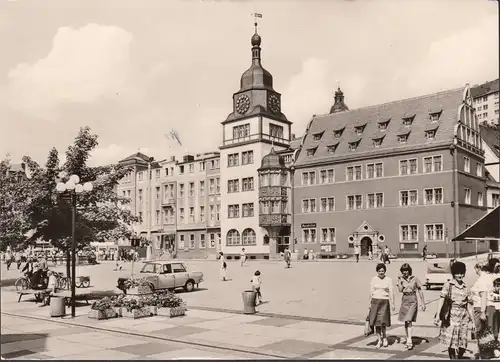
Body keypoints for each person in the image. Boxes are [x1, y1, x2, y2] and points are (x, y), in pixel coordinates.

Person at [434, 261, 475, 360]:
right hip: (451, 318)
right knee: (451, 343)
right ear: (453, 274)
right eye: (457, 273)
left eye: (461, 273)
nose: (460, 275)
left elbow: (469, 305)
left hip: (463, 319)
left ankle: (459, 357)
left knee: (463, 345)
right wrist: (437, 315)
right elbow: (442, 299)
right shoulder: (448, 285)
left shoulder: (466, 287)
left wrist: (473, 321)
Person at [397, 263, 426, 350]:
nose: (405, 272)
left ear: (409, 271)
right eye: (403, 271)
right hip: (405, 299)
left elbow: (420, 290)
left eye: (406, 270)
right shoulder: (401, 279)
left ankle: (409, 340)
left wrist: (423, 303)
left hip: (413, 299)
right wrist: (399, 280)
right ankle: (408, 337)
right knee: (406, 321)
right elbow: (400, 290)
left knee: (409, 319)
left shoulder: (415, 278)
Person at [368, 263, 395, 348]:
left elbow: (391, 292)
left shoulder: (388, 280)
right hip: (375, 302)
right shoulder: (373, 279)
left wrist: (393, 303)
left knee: (383, 322)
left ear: (385, 271)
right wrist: (369, 303)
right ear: (377, 271)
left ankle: (385, 338)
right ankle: (379, 340)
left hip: (384, 302)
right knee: (376, 322)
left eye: (382, 271)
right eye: (379, 271)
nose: (381, 273)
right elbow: (371, 292)